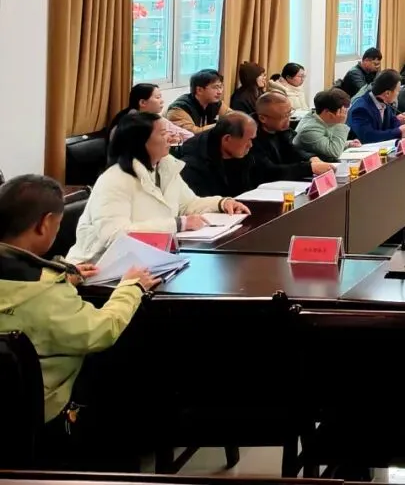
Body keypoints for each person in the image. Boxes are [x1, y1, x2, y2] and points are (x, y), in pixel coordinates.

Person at [0, 175, 160, 454]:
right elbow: (100, 331)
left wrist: (63, 275)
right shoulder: (46, 294)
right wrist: (131, 288)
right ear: (45, 224)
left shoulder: (39, 285)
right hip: (38, 409)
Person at [67, 112, 249, 264]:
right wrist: (178, 224)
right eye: (163, 133)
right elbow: (114, 235)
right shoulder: (114, 180)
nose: (171, 137)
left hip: (149, 259)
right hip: (101, 267)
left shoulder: (165, 166)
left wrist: (221, 203)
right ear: (141, 142)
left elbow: (188, 204)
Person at [252, 93, 335, 181]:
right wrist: (309, 168)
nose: (288, 119)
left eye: (289, 113)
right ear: (263, 118)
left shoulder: (282, 130)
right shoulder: (250, 137)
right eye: (284, 116)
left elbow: (295, 150)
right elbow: (269, 171)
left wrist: (311, 158)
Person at [179, 112, 259, 198]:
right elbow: (200, 201)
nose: (251, 145)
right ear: (227, 139)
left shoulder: (244, 154)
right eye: (248, 140)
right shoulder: (193, 166)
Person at [108, 83, 191, 144]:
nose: (162, 101)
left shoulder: (153, 118)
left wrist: (178, 139)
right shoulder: (129, 123)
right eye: (157, 97)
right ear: (142, 102)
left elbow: (188, 136)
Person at [292, 88, 361, 162]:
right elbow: (335, 152)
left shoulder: (322, 119)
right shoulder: (309, 130)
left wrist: (348, 144)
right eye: (342, 112)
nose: (344, 115)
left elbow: (326, 143)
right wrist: (340, 124)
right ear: (327, 112)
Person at [348, 69, 405, 143]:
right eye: (398, 91)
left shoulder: (383, 100)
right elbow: (368, 137)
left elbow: (393, 122)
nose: (398, 94)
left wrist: (404, 127)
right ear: (387, 93)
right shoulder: (361, 109)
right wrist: (398, 132)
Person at [167, 69, 228, 134]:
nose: (220, 92)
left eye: (221, 87)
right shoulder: (178, 109)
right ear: (199, 90)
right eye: (215, 87)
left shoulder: (214, 102)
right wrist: (221, 125)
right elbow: (193, 134)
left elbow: (232, 116)